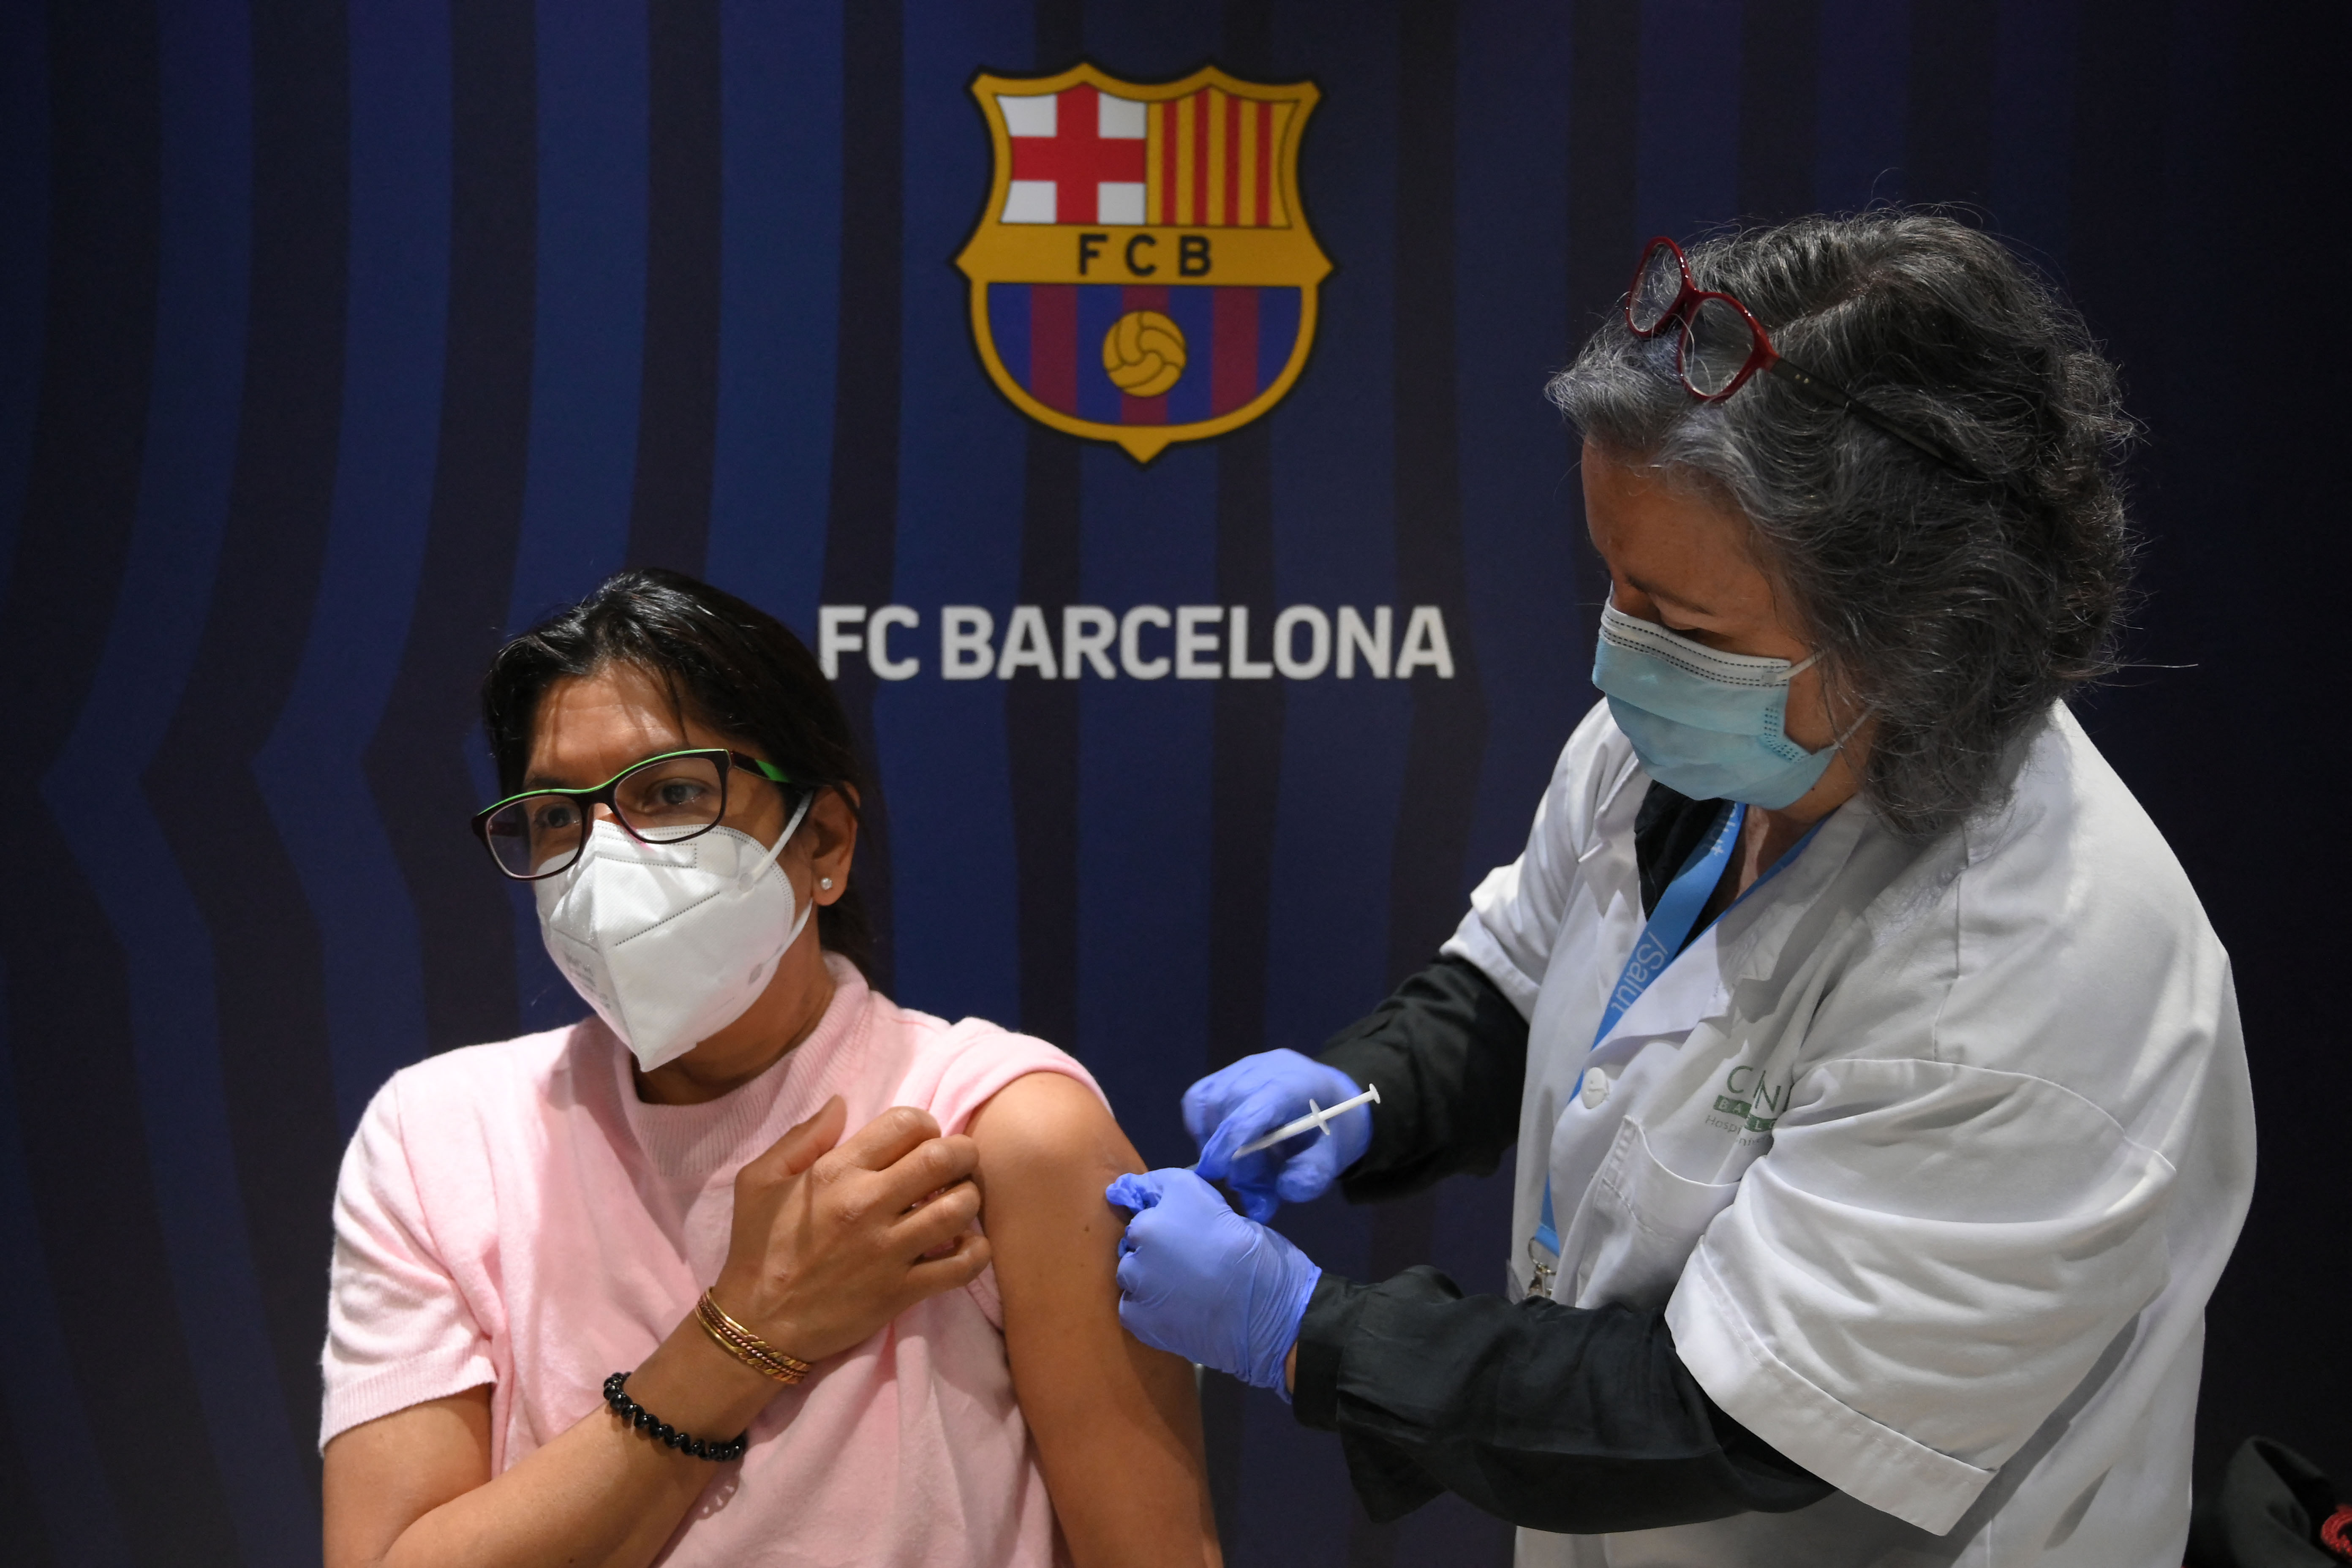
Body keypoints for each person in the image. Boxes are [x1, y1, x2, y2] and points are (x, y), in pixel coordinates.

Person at [1107, 212, 2255, 1565]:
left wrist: (1305, 1335)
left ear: (1916, 635)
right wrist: (1363, 1096)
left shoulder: (2041, 976)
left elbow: (1721, 1418)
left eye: (1682, 624)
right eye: (1616, 583)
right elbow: (1527, 978)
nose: (1618, 661)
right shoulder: (1713, 735)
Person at [320, 570, 1219, 1568]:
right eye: (558, 814)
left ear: (824, 839)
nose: (603, 858)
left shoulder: (996, 1129)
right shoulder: (441, 1135)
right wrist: (744, 1329)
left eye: (671, 794)